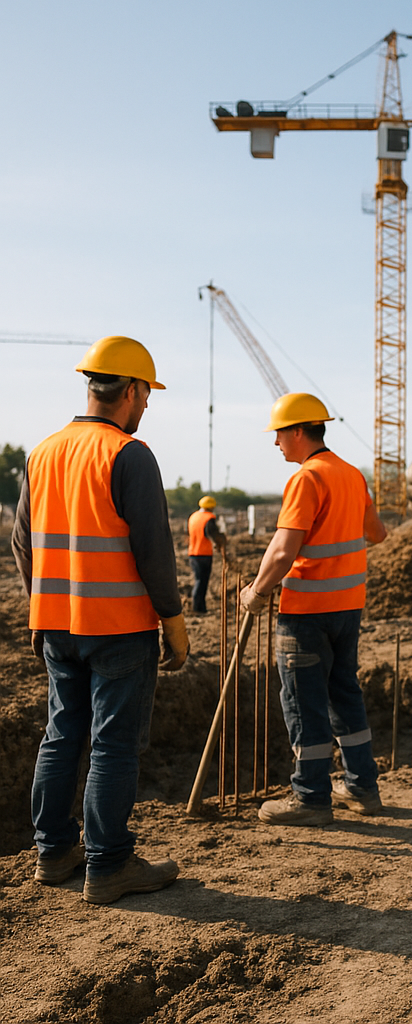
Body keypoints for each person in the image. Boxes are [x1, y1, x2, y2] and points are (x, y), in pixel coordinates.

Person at [11, 336, 189, 904]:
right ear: (130, 390)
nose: (147, 405)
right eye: (147, 394)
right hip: (118, 627)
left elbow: (22, 542)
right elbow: (154, 551)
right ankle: (109, 864)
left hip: (56, 626)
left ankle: (53, 853)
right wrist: (174, 623)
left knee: (61, 735)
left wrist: (40, 606)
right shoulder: (128, 454)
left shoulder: (42, 452)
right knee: (113, 745)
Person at [239, 393, 387, 826]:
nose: (276, 442)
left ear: (300, 431)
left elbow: (283, 550)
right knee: (344, 694)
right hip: (347, 609)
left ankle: (310, 798)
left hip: (306, 613)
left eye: (280, 434)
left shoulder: (307, 479)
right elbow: (377, 534)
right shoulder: (351, 475)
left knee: (304, 704)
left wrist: (256, 591)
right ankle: (362, 787)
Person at [186, 495, 227, 613]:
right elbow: (212, 533)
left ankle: (201, 607)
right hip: (204, 554)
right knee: (202, 582)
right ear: (211, 507)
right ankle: (198, 608)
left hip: (193, 553)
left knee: (199, 580)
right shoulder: (209, 518)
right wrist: (220, 542)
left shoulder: (193, 516)